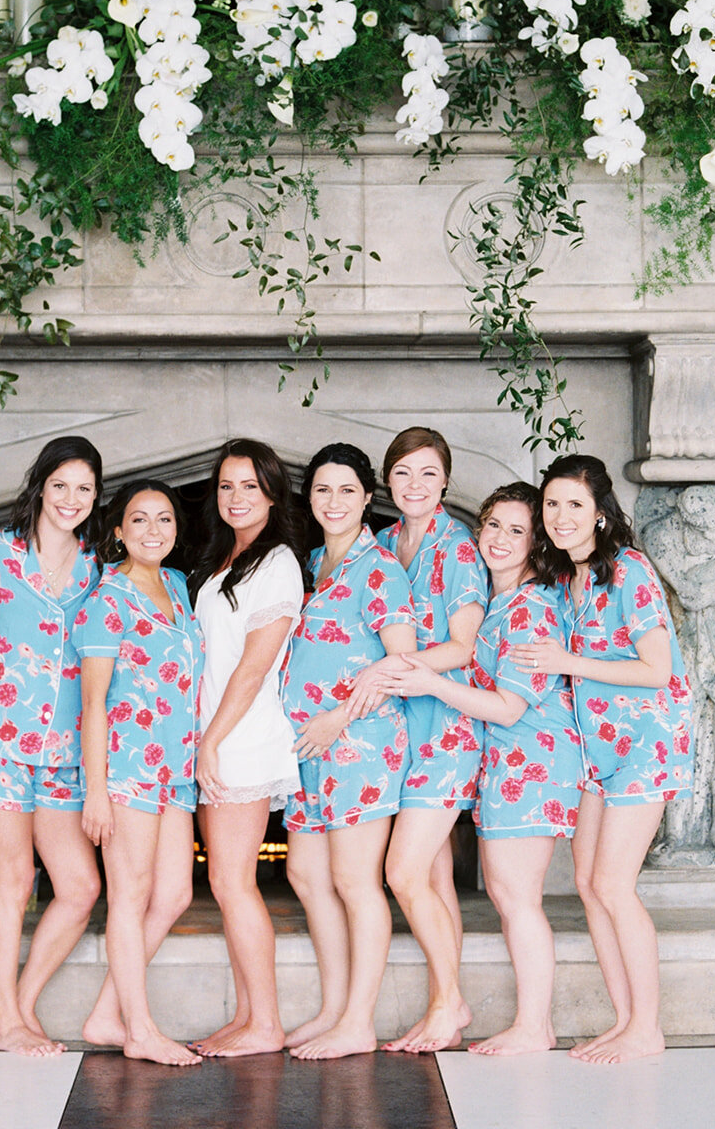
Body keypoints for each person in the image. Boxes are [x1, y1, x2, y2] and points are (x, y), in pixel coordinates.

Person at [384, 483, 584, 1054]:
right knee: (504, 893)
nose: (499, 538)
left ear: (535, 542)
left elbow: (510, 706)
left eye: (517, 530)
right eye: (493, 524)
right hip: (504, 763)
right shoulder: (498, 603)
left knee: (517, 897)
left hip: (533, 761)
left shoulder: (533, 607)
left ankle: (534, 1026)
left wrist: (429, 682)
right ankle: (490, 1013)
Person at [511, 454, 694, 1065]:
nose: (561, 517)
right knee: (588, 884)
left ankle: (649, 1027)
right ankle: (625, 1022)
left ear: (600, 515)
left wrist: (567, 663)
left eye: (575, 506)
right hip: (597, 749)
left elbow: (657, 670)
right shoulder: (569, 579)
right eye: (553, 504)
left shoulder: (630, 572)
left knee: (614, 884)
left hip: (644, 744)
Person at [0, 436, 104, 1055]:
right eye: (62, 485)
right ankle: (7, 1020)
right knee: (14, 883)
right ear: (41, 485)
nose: (71, 499)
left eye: (85, 489)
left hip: (66, 752)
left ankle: (19, 1007)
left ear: (96, 498)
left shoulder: (101, 569)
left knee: (80, 888)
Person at [350, 426, 487, 1053]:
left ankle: (450, 1000)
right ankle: (443, 1002)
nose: (414, 485)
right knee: (429, 876)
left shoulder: (457, 549)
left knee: (402, 872)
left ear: (445, 483)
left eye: (428, 474)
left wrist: (390, 671)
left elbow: (463, 647)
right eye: (403, 473)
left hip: (446, 730)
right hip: (395, 734)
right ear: (387, 482)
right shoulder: (377, 543)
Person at [282, 442, 417, 1060]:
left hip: (358, 743)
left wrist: (338, 716)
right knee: (305, 874)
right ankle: (334, 1009)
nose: (333, 502)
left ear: (367, 498)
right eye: (322, 490)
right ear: (310, 498)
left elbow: (402, 659)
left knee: (354, 881)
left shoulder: (379, 568)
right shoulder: (311, 564)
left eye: (346, 490)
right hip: (308, 750)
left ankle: (359, 1020)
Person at [76, 479, 204, 1066]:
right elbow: (94, 701)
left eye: (164, 519)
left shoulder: (177, 586)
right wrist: (96, 790)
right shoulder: (109, 597)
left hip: (176, 767)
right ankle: (139, 1029)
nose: (154, 530)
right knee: (130, 895)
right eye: (140, 520)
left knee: (174, 893)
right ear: (119, 531)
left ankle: (106, 1014)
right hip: (127, 766)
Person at [189, 440, 308, 1057]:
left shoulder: (279, 563)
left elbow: (255, 667)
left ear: (272, 494)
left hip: (242, 735)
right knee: (227, 884)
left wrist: (211, 741)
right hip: (217, 734)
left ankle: (265, 1023)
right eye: (227, 486)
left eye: (251, 487)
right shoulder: (226, 559)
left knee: (236, 884)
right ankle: (246, 1015)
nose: (237, 498)